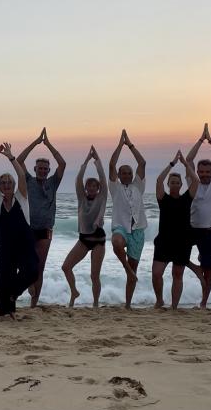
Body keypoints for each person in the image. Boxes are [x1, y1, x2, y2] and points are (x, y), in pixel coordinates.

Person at [0, 143, 38, 320]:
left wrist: (11, 157)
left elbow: (22, 175)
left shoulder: (21, 197)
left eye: (9, 182)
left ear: (14, 185)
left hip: (24, 244)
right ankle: (7, 312)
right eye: (3, 183)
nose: (6, 185)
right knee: (3, 278)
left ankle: (14, 293)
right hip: (6, 247)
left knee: (32, 271)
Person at [16, 128, 66, 307]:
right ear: (35, 169)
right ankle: (28, 284)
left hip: (45, 229)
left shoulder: (53, 182)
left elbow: (63, 163)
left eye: (46, 169)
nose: (43, 171)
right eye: (40, 168)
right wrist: (36, 142)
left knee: (40, 267)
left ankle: (34, 304)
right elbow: (19, 160)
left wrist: (49, 144)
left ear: (48, 170)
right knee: (25, 263)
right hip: (28, 228)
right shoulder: (28, 180)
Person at [184, 123, 211, 308]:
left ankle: (203, 302)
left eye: (206, 172)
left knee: (207, 269)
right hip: (193, 229)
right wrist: (199, 140)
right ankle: (198, 270)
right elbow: (188, 159)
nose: (203, 175)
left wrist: (210, 140)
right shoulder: (193, 182)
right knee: (178, 254)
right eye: (201, 172)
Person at [152, 151, 201, 309]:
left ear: (181, 185)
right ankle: (159, 300)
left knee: (177, 275)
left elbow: (196, 181)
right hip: (164, 242)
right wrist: (172, 163)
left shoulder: (187, 198)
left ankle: (174, 306)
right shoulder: (163, 199)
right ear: (169, 185)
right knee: (156, 273)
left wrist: (186, 164)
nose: (174, 184)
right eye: (172, 182)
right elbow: (159, 180)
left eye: (177, 182)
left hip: (182, 242)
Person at [61, 147, 108, 307]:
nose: (92, 188)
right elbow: (78, 179)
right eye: (89, 186)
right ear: (86, 188)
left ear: (98, 188)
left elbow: (103, 177)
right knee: (66, 267)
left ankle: (95, 303)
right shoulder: (81, 198)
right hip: (83, 239)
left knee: (94, 275)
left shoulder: (102, 197)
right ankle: (74, 291)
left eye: (95, 186)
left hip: (98, 241)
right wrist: (87, 160)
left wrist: (97, 160)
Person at [108, 129, 147, 309]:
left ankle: (128, 304)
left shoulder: (138, 186)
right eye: (123, 173)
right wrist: (119, 144)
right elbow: (111, 165)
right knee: (116, 242)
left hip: (137, 231)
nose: (126, 175)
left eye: (128, 173)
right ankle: (128, 271)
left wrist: (129, 144)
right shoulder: (115, 188)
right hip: (121, 228)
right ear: (119, 175)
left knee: (134, 267)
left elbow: (142, 162)